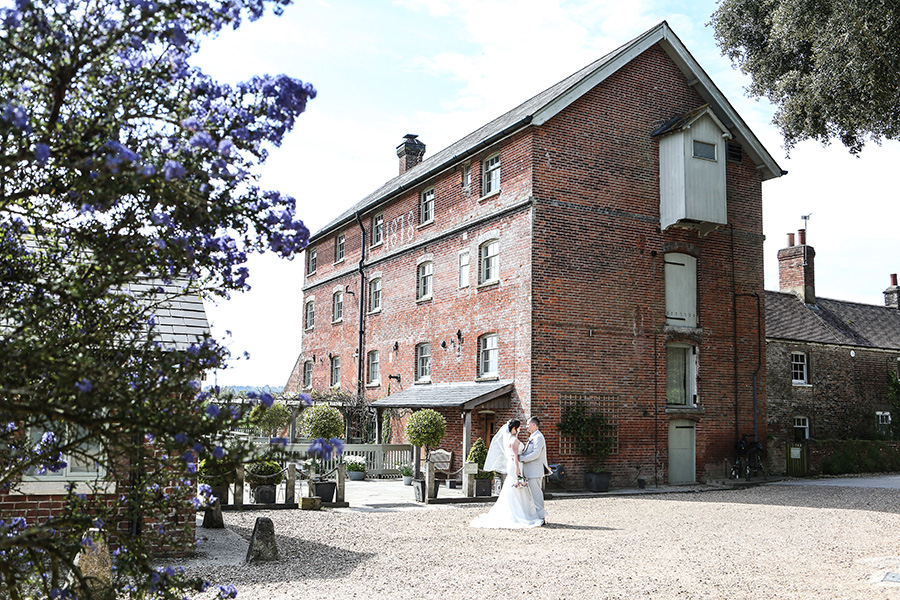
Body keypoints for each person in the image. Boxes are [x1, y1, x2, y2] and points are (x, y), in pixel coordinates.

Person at [470, 419, 543, 529]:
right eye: (519, 427)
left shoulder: (512, 439)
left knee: (516, 489)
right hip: (515, 466)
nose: (521, 429)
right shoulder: (513, 440)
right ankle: (517, 513)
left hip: (516, 465)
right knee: (515, 489)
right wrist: (518, 469)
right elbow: (514, 456)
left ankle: (523, 512)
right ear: (514, 428)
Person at [519, 416, 549, 525]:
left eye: (528, 424)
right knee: (531, 496)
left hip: (535, 471)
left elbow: (536, 454)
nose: (526, 427)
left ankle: (541, 518)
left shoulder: (538, 437)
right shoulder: (533, 436)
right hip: (530, 471)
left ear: (534, 425)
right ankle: (535, 516)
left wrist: (521, 458)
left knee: (537, 496)